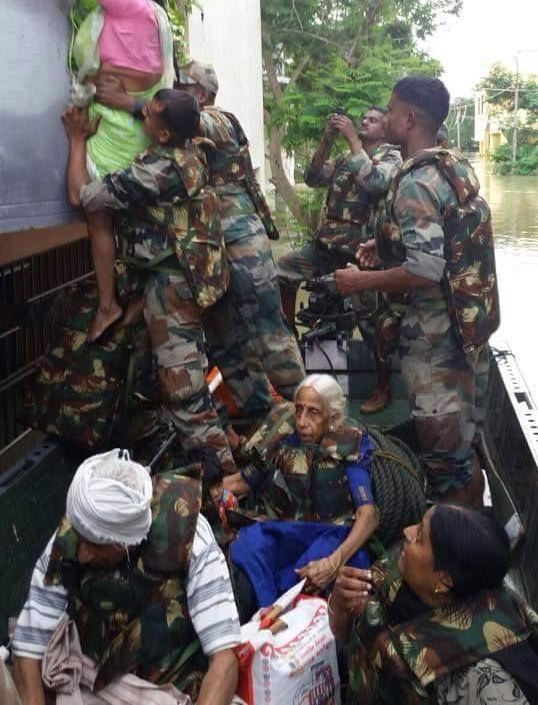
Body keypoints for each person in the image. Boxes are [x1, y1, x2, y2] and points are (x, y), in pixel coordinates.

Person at [96, 60, 306, 423]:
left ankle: (315, 415)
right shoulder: (180, 145)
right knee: (226, 340)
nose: (174, 92)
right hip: (209, 258)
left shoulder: (220, 120)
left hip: (243, 248)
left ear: (203, 95)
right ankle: (258, 417)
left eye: (183, 87)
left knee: (268, 333)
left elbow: (186, 120)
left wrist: (128, 101)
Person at [335, 76, 500, 506]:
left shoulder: (415, 182)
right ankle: (465, 525)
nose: (386, 116)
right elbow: (446, 234)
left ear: (409, 119)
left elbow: (426, 269)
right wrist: (386, 244)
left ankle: (453, 538)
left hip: (437, 341)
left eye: (391, 110)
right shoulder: (451, 164)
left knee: (446, 459)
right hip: (467, 326)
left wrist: (361, 281)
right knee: (463, 449)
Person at [61, 90, 235, 472]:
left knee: (182, 390)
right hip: (186, 280)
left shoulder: (157, 171)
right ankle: (211, 450)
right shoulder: (192, 145)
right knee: (159, 376)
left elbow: (79, 196)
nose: (143, 114)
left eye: (151, 114)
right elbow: (152, 110)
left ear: (164, 134)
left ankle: (227, 477)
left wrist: (77, 139)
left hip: (173, 291)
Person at [12, 449, 241, 705]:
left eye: (96, 546)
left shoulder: (192, 540)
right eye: (81, 540)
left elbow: (224, 660)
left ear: (128, 543)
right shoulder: (77, 529)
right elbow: (28, 648)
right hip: (95, 679)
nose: (83, 555)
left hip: (171, 688)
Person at [40, 0, 174, 342]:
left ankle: (107, 304)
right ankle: (130, 297)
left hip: (115, 136)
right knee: (128, 220)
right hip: (129, 132)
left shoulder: (133, 8)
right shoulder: (151, 20)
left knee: (93, 210)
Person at [329, 505, 538, 705]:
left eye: (420, 536)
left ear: (443, 581)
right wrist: (338, 605)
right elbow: (350, 639)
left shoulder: (482, 680)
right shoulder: (401, 569)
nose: (407, 532)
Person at [277, 107, 401, 413]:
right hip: (325, 244)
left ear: (385, 128)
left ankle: (383, 386)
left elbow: (376, 183)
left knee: (371, 322)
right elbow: (312, 177)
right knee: (282, 271)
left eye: (373, 120)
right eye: (363, 119)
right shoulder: (345, 157)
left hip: (360, 253)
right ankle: (289, 341)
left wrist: (352, 141)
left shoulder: (391, 157)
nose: (364, 122)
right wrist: (327, 140)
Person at [224, 374, 378, 613]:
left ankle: (283, 610)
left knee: (311, 570)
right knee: (247, 545)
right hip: (286, 529)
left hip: (331, 533)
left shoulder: (350, 441)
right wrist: (205, 494)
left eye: (313, 412)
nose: (302, 421)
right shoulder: (281, 434)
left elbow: (368, 514)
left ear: (332, 417)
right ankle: (266, 613)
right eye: (298, 410)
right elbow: (243, 481)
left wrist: (334, 562)